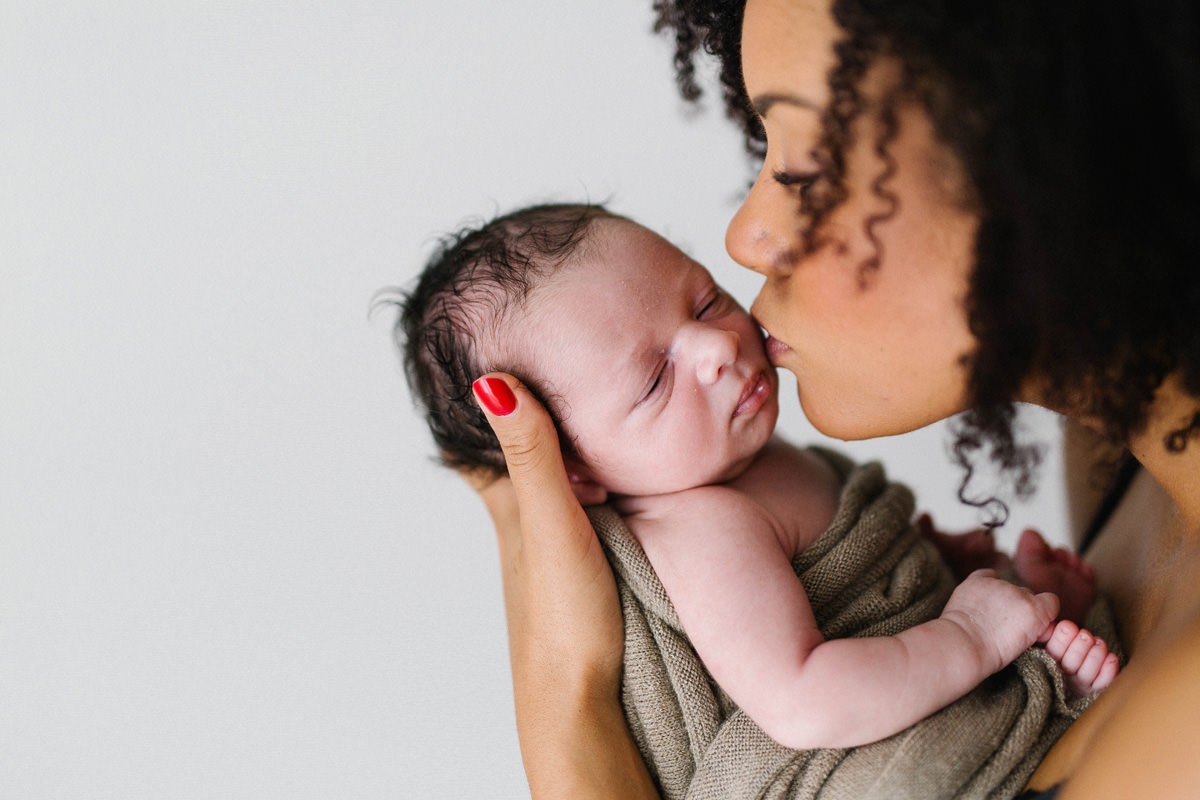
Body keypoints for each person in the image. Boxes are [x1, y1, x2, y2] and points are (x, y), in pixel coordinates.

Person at [459, 1, 1200, 798]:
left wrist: (568, 714)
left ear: (1041, 160)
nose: (745, 238)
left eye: (802, 172)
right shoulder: (1112, 464)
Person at [397, 201, 1117, 757]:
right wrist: (970, 636)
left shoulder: (748, 463)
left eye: (705, 300)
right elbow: (805, 702)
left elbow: (853, 569)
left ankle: (1038, 655)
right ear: (573, 471)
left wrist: (935, 563)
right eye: (654, 381)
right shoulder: (703, 528)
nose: (715, 346)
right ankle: (1032, 691)